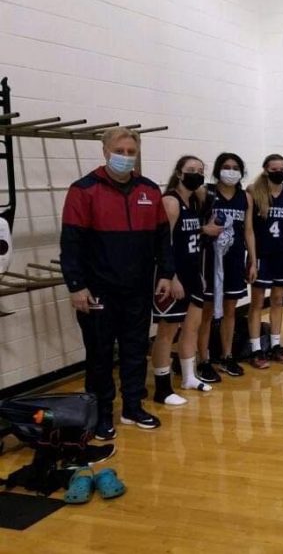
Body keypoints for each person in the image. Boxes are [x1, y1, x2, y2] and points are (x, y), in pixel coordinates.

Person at [60, 127, 174, 438]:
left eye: (130, 152)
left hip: (137, 289)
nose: (125, 157)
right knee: (99, 354)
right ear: (105, 151)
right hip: (97, 291)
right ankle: (101, 413)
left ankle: (133, 407)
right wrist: (76, 285)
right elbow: (71, 243)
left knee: (136, 350)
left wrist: (165, 272)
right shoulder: (83, 190)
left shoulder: (150, 191)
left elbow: (163, 238)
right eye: (119, 151)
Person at [151, 156, 218, 407]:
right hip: (172, 277)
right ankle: (162, 387)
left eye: (201, 171)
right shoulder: (170, 201)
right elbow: (161, 243)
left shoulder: (194, 202)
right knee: (167, 332)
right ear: (179, 173)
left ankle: (189, 377)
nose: (197, 174)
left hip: (193, 273)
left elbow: (189, 235)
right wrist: (171, 276)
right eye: (191, 170)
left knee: (191, 327)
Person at [197, 153, 257, 381]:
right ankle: (203, 359)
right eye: (226, 166)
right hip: (209, 260)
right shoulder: (206, 193)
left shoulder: (246, 198)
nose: (230, 171)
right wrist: (204, 230)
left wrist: (252, 260)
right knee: (207, 312)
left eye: (235, 167)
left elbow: (249, 231)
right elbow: (194, 223)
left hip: (234, 260)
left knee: (231, 309)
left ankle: (227, 355)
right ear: (217, 170)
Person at [246, 154, 283, 369]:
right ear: (266, 169)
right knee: (257, 303)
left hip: (282, 253)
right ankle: (255, 349)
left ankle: (275, 345)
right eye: (275, 169)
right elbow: (248, 229)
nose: (280, 172)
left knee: (277, 300)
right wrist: (253, 260)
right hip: (261, 254)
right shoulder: (253, 192)